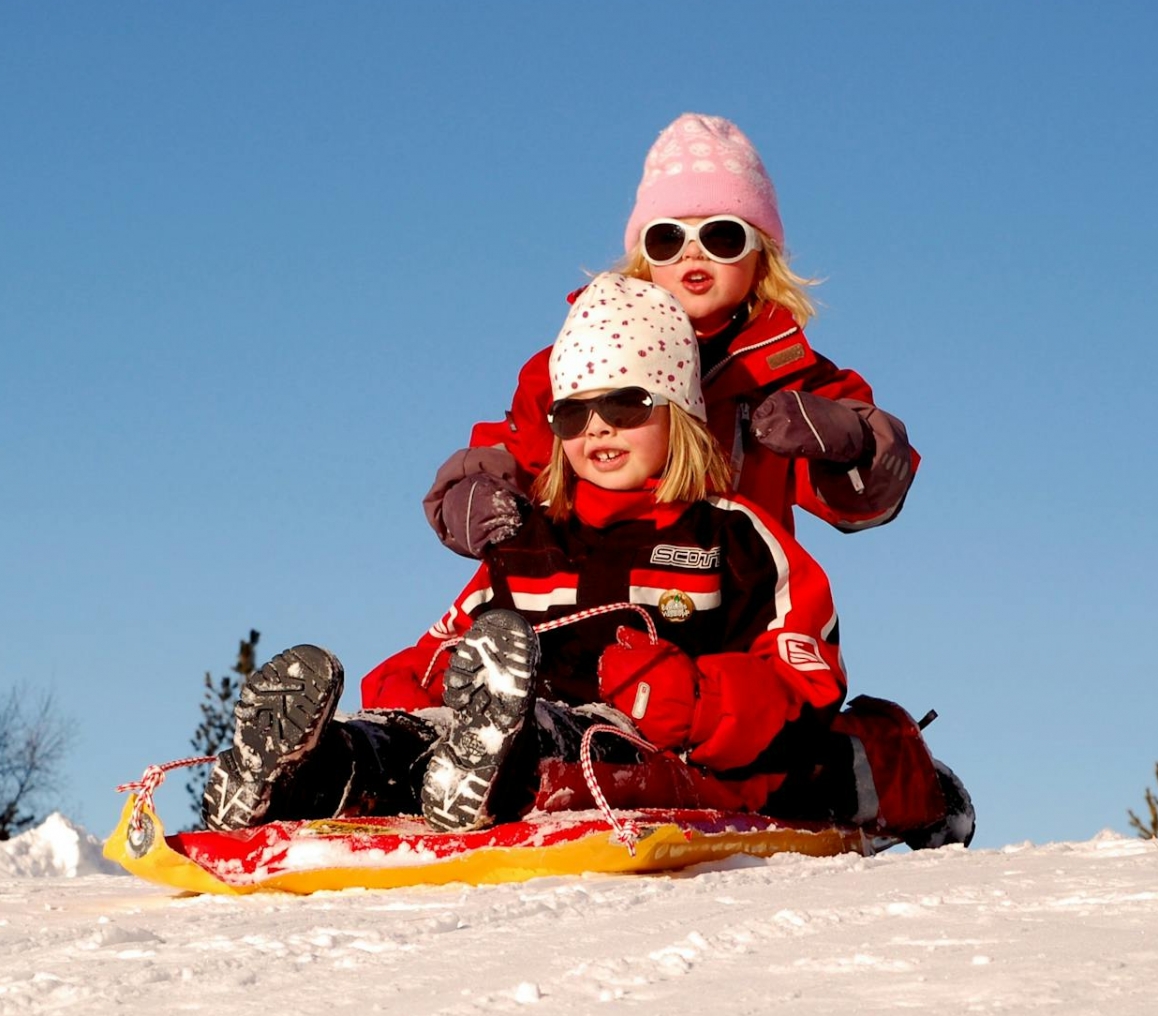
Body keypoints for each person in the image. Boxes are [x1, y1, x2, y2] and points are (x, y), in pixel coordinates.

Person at [202, 274, 972, 850]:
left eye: (627, 405)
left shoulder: (734, 537)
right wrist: (416, 689)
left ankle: (487, 764)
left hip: (649, 748)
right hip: (500, 727)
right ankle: (311, 772)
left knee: (567, 746)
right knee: (415, 739)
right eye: (573, 412)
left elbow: (805, 690)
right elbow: (436, 647)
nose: (598, 426)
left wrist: (693, 698)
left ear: (679, 415)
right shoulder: (532, 541)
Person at [425, 112, 919, 562]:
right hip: (599, 585)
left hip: (736, 595)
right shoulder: (582, 359)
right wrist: (475, 490)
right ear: (645, 256)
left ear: (761, 255)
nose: (692, 254)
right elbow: (521, 448)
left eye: (722, 236)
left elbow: (864, 503)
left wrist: (849, 442)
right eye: (668, 238)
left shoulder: (793, 376)